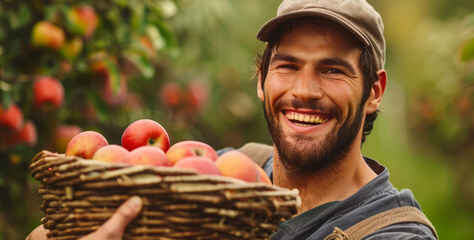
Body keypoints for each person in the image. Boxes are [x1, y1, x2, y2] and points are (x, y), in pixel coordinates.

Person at [28, 0, 437, 239]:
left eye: (332, 70)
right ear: (261, 80)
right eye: (288, 66)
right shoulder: (222, 172)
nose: (304, 90)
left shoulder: (390, 232)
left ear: (374, 91)